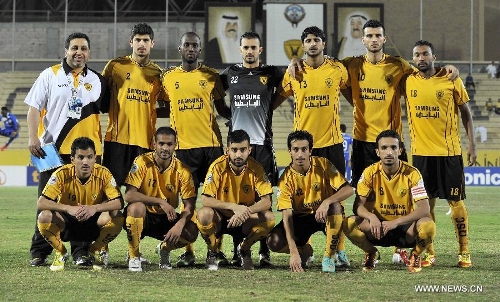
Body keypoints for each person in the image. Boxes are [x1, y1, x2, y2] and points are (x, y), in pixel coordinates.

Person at [25, 32, 109, 267]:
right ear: (66, 51)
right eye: (74, 48)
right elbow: (33, 108)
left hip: (84, 155)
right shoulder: (49, 75)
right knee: (46, 200)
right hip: (51, 151)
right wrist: (33, 138)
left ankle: (81, 251)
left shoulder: (98, 80)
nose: (78, 52)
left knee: (82, 204)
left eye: (83, 48)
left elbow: (114, 111)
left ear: (89, 53)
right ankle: (39, 251)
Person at [276, 26, 352, 267]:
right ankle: (304, 241)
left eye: (316, 40)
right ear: (303, 45)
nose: (312, 44)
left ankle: (337, 251)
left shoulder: (337, 69)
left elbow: (352, 94)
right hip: (304, 147)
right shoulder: (295, 71)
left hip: (332, 143)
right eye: (307, 40)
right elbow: (278, 96)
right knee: (304, 199)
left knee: (336, 199)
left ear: (323, 43)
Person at [402, 40, 476, 268]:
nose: (421, 58)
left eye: (425, 54)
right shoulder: (407, 80)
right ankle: (428, 252)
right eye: (417, 55)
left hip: (449, 152)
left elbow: (466, 113)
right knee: (427, 205)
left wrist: (472, 144)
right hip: (421, 156)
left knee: (456, 202)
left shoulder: (451, 79)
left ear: (434, 57)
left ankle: (464, 252)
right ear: (413, 59)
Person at [160, 31, 231, 267]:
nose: (191, 48)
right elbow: (162, 107)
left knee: (214, 201)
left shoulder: (211, 76)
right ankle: (188, 251)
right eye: (186, 45)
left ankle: (214, 250)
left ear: (200, 50)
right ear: (180, 49)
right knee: (186, 201)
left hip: (211, 147)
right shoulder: (168, 77)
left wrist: (240, 118)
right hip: (182, 149)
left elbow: (222, 109)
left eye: (195, 45)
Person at [220, 31, 284, 267]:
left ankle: (263, 252)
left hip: (263, 146)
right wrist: (228, 114)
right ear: (240, 50)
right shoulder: (231, 73)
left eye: (253, 48)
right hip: (237, 148)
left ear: (260, 50)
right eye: (245, 47)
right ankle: (238, 250)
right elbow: (217, 94)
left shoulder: (271, 72)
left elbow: (290, 83)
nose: (249, 51)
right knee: (238, 199)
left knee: (261, 200)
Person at [343, 130, 435, 273]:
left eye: (393, 147)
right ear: (377, 152)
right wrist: (372, 217)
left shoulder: (412, 173)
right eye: (384, 148)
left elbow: (424, 209)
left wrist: (396, 222)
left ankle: (415, 254)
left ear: (400, 151)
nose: (389, 152)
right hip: (378, 227)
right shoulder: (369, 172)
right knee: (348, 223)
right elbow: (358, 206)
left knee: (428, 225)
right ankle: (371, 253)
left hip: (405, 228)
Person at [267, 130, 354, 273]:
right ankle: (305, 250)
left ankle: (329, 257)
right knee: (273, 241)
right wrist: (294, 251)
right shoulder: (285, 180)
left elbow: (348, 190)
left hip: (324, 214)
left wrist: (327, 202)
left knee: (335, 207)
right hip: (301, 219)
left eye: (304, 149)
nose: (300, 154)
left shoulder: (324, 165)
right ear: (290, 151)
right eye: (296, 149)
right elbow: (287, 216)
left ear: (310, 150)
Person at [36, 137, 124, 271]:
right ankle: (61, 252)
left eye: (89, 157)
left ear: (95, 158)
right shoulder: (61, 174)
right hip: (68, 222)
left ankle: (96, 249)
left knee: (117, 216)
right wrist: (68, 208)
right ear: (72, 159)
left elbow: (119, 202)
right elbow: (41, 202)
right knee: (44, 216)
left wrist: (94, 208)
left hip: (93, 221)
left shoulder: (103, 173)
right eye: (81, 157)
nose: (85, 162)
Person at [196, 130, 275, 270]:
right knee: (204, 214)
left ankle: (244, 249)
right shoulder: (217, 166)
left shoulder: (256, 168)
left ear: (249, 150)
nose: (238, 155)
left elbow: (267, 201)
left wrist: (245, 211)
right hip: (221, 218)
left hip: (245, 219)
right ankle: (213, 250)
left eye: (243, 150)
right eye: (234, 150)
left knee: (269, 218)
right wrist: (234, 207)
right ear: (227, 150)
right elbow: (206, 200)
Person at [123, 127, 198, 272]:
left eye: (169, 144)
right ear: (154, 144)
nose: (165, 148)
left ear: (175, 145)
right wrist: (160, 201)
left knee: (192, 231)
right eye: (161, 144)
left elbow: (189, 205)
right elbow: (129, 195)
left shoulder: (183, 170)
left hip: (167, 218)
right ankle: (134, 256)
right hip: (144, 216)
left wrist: (180, 224)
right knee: (136, 207)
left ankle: (164, 249)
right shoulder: (142, 161)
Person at [102, 23, 166, 188]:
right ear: (131, 42)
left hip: (144, 141)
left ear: (152, 43)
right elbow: (100, 96)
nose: (141, 44)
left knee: (139, 194)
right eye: (138, 40)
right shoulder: (115, 66)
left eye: (146, 40)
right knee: (111, 191)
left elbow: (167, 106)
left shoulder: (158, 74)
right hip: (116, 139)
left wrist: (149, 111)